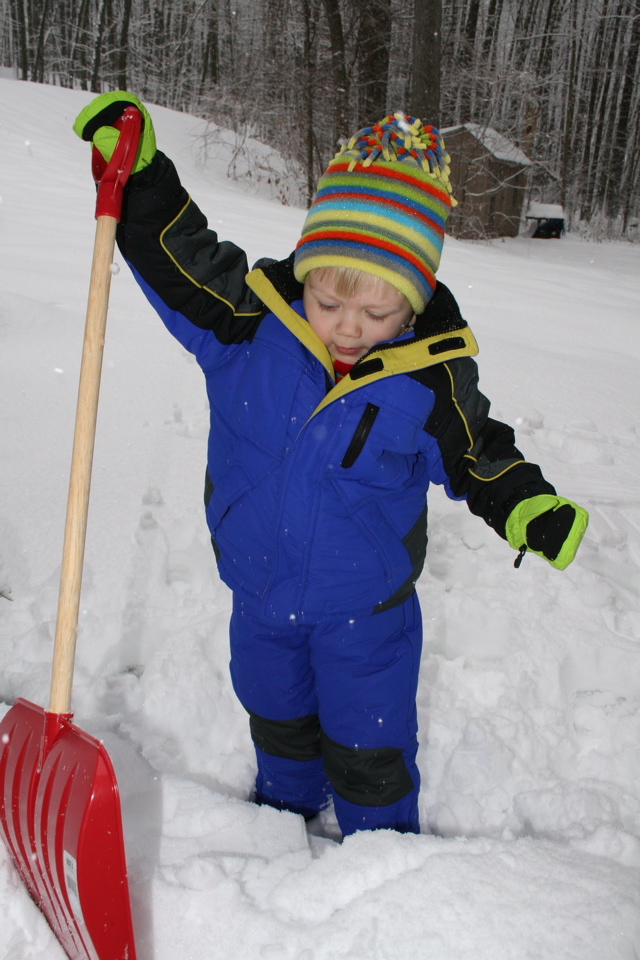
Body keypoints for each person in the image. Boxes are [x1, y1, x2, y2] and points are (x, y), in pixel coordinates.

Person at [73, 93, 588, 838]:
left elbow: (480, 452)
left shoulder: (427, 377)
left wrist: (526, 505)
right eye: (327, 299)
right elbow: (181, 258)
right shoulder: (248, 326)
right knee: (274, 715)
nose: (348, 327)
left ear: (414, 305)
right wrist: (141, 176)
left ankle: (380, 852)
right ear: (305, 276)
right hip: (257, 596)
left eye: (377, 315)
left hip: (366, 615)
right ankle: (283, 819)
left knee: (369, 744)